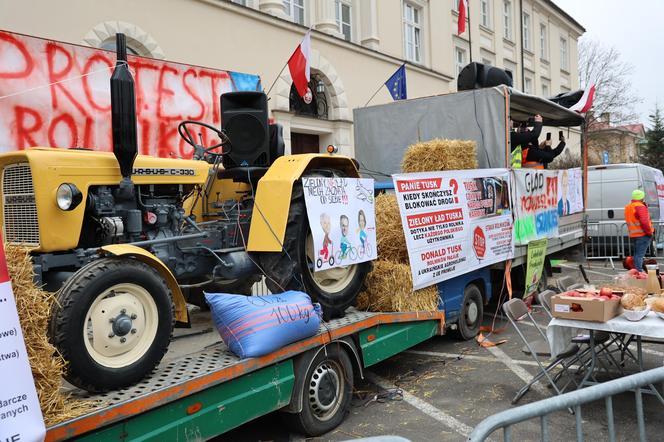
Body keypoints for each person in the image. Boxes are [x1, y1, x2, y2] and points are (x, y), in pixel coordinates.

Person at [624, 189, 653, 271]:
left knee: (637, 255)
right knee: (640, 255)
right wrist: (649, 232)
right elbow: (644, 221)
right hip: (643, 234)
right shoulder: (640, 206)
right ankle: (639, 272)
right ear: (641, 198)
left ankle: (637, 271)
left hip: (634, 234)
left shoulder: (629, 207)